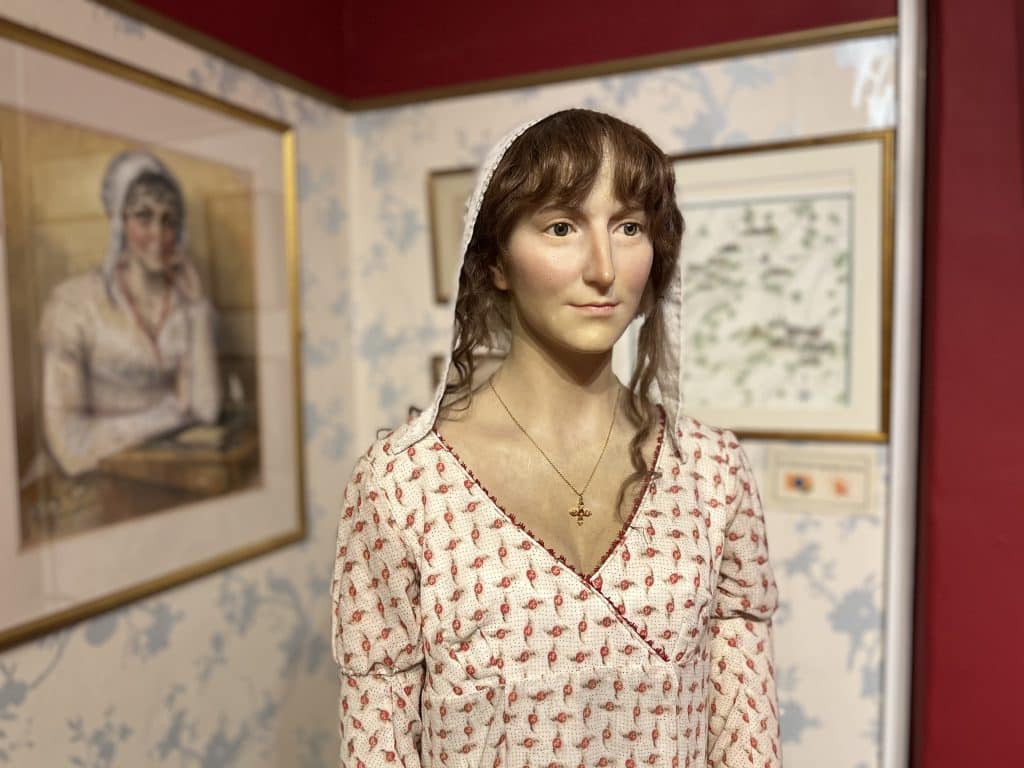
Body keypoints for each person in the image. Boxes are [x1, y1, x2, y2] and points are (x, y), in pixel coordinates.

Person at [331, 109, 780, 767]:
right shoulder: (403, 485)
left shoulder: (711, 471)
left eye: (628, 227)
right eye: (562, 226)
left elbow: (748, 743)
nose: (603, 267)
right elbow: (379, 743)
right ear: (496, 263)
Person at [36, 150, 221, 478]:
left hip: (166, 479)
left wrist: (197, 311)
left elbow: (206, 411)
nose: (158, 235)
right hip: (87, 488)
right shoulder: (75, 304)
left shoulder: (184, 306)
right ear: (119, 221)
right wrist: (170, 413)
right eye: (144, 217)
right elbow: (70, 447)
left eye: (169, 220)